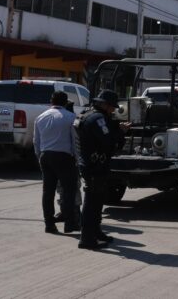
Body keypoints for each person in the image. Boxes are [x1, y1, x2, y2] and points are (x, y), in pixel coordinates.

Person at [74, 90, 128, 250]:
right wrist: (121, 133)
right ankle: (87, 239)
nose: (113, 110)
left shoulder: (86, 114)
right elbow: (108, 141)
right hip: (95, 165)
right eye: (112, 107)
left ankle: (95, 232)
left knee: (97, 201)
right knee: (92, 203)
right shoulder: (98, 119)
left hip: (89, 162)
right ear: (104, 104)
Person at [34, 91, 79, 234]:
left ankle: (49, 224)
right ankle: (69, 224)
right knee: (69, 191)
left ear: (51, 101)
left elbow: (36, 142)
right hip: (64, 157)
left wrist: (40, 157)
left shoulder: (40, 117)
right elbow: (75, 141)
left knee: (48, 192)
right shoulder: (71, 117)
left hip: (45, 156)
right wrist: (77, 159)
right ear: (66, 103)